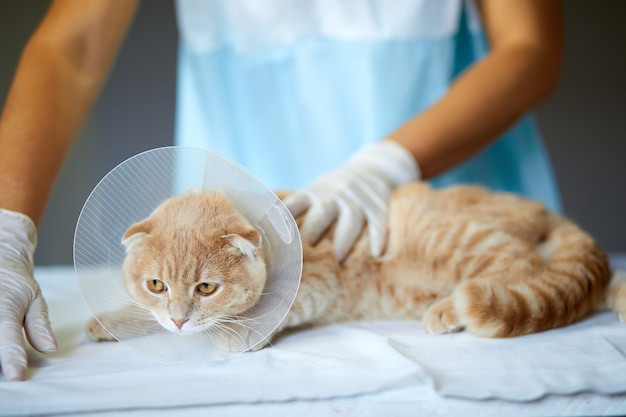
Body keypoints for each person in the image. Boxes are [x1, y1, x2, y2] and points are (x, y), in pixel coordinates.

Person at [0, 0, 562, 381]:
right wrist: (6, 230)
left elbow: (530, 47)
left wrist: (388, 163)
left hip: (432, 189)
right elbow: (70, 47)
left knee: (511, 322)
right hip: (229, 230)